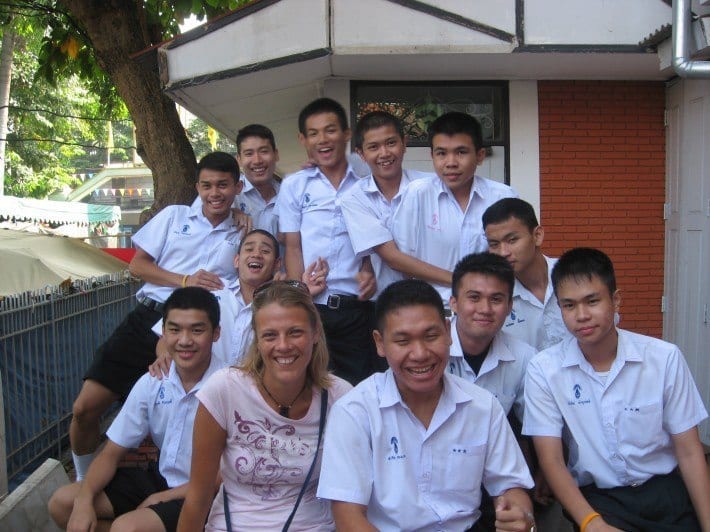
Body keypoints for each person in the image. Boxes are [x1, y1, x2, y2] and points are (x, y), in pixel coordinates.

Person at [70, 152, 243, 481]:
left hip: (191, 334)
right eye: (206, 185)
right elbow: (137, 266)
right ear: (197, 186)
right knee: (84, 409)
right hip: (147, 318)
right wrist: (184, 280)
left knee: (185, 417)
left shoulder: (243, 229)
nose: (214, 193)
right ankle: (82, 480)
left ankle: (178, 489)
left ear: (237, 187)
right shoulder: (174, 217)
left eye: (223, 185)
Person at [317, 279, 535, 531]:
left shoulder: (483, 406)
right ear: (380, 343)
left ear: (446, 331)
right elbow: (349, 517)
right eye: (403, 341)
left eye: (431, 336)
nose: (420, 353)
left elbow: (511, 486)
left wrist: (520, 515)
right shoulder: (354, 411)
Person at [523, 247, 710, 531]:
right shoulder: (544, 370)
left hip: (667, 491)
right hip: (601, 500)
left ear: (616, 300)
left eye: (592, 301)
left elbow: (689, 452)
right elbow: (552, 462)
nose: (582, 315)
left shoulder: (663, 358)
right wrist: (590, 522)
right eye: (569, 305)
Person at [177, 281, 352, 531]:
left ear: (315, 334)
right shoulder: (224, 389)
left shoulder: (339, 397)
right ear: (257, 340)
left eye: (295, 332)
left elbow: (351, 497)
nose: (283, 346)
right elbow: (198, 497)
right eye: (270, 335)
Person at [48, 287, 223, 532]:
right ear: (163, 333)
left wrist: (163, 498)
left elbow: (227, 473)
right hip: (160, 477)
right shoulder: (153, 381)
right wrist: (84, 501)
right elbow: (111, 453)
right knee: (63, 504)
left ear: (215, 333)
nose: (185, 340)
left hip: (205, 491)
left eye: (197, 330)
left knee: (127, 528)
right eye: (174, 329)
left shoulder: (229, 387)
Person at [276, 97, 378, 385]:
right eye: (314, 133)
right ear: (303, 139)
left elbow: (377, 240)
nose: (323, 139)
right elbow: (293, 246)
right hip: (312, 309)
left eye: (331, 130)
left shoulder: (367, 182)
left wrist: (370, 265)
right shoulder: (294, 185)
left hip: (357, 310)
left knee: (357, 392)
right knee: (307, 390)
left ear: (346, 134)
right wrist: (300, 295)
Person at [391, 112, 518, 302]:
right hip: (433, 308)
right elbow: (403, 261)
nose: (451, 163)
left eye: (461, 152)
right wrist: (459, 282)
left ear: (480, 155)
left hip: (489, 309)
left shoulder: (503, 197)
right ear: (432, 155)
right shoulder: (417, 194)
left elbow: (514, 256)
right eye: (441, 153)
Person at [341, 111, 451, 296]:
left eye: (391, 143)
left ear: (404, 143)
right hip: (390, 302)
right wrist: (460, 280)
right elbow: (392, 257)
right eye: (373, 147)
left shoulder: (434, 186)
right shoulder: (354, 198)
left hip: (443, 299)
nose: (384, 153)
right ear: (361, 153)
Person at [448, 252, 536, 422]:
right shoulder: (428, 350)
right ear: (454, 303)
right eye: (474, 297)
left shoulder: (525, 358)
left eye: (496, 299)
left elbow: (537, 425)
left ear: (510, 306)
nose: (485, 309)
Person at [483, 197, 566, 350]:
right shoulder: (493, 297)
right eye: (494, 244)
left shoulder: (573, 276)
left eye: (512, 240)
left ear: (537, 236)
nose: (503, 253)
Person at [234, 124, 281, 237]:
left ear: (276, 155)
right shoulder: (227, 193)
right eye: (249, 154)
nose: (257, 160)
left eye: (264, 151)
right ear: (239, 159)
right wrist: (227, 213)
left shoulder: (290, 196)